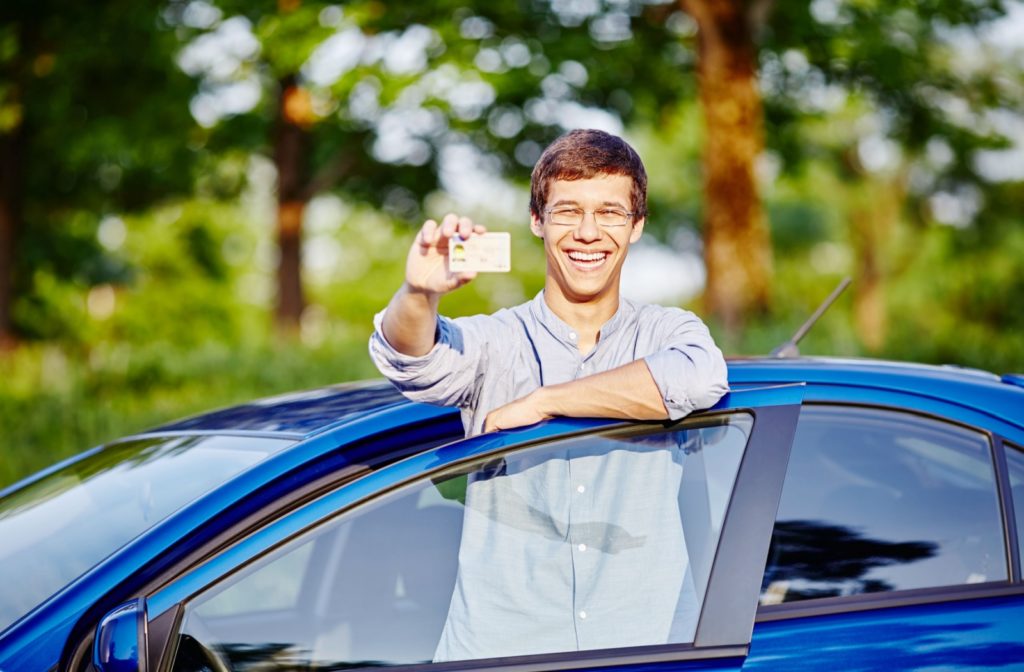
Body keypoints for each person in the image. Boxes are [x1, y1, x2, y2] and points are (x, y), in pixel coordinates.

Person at [369, 129, 729, 661]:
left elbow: (697, 379)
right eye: (567, 212)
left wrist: (545, 401)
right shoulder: (494, 342)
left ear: (637, 227)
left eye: (610, 213)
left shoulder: (668, 333)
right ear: (537, 221)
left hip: (647, 651)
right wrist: (419, 293)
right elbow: (410, 359)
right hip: (502, 654)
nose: (588, 233)